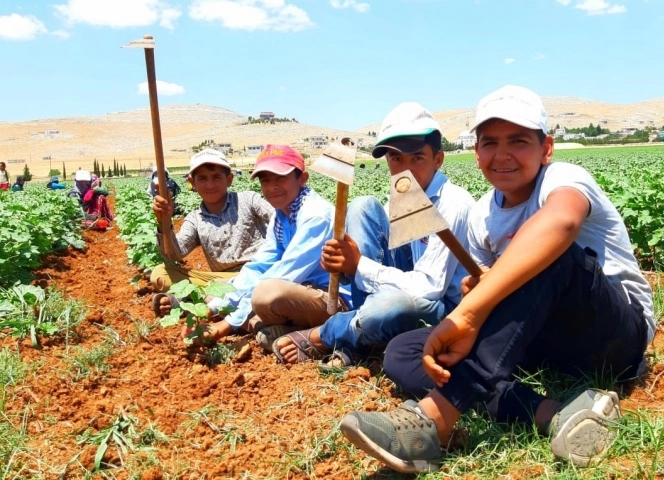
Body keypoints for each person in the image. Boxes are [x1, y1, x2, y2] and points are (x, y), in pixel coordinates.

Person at [339, 85, 655, 472]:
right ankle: (551, 414)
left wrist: (473, 310)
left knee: (546, 255)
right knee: (406, 350)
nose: (502, 155)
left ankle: (435, 419)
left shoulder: (564, 178)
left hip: (613, 337)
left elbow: (562, 222)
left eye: (518, 141)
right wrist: (480, 287)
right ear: (477, 153)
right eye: (490, 143)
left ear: (547, 149)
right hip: (542, 339)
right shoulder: (482, 216)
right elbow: (485, 285)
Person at [272, 102, 475, 368]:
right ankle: (361, 338)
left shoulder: (453, 204)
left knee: (387, 308)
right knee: (362, 206)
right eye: (395, 158)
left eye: (417, 158)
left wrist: (358, 265)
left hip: (445, 303)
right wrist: (343, 266)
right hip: (413, 280)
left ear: (438, 160)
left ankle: (325, 335)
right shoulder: (406, 194)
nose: (405, 169)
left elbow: (430, 288)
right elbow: (395, 261)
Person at [179, 145, 351, 347]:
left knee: (265, 296)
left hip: (333, 299)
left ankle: (322, 332)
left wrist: (225, 325)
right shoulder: (282, 215)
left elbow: (285, 273)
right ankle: (285, 331)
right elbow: (259, 265)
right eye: (265, 180)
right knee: (229, 294)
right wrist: (213, 309)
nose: (271, 187)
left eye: (281, 178)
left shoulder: (316, 216)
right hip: (304, 290)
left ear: (302, 178)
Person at [150, 149, 273, 300]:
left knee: (269, 279)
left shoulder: (249, 200)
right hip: (222, 279)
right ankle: (229, 295)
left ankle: (199, 298)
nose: (210, 185)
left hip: (261, 270)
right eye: (202, 178)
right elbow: (173, 254)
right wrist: (165, 221)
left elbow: (277, 218)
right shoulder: (195, 219)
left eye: (216, 177)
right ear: (192, 182)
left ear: (229, 179)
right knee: (159, 273)